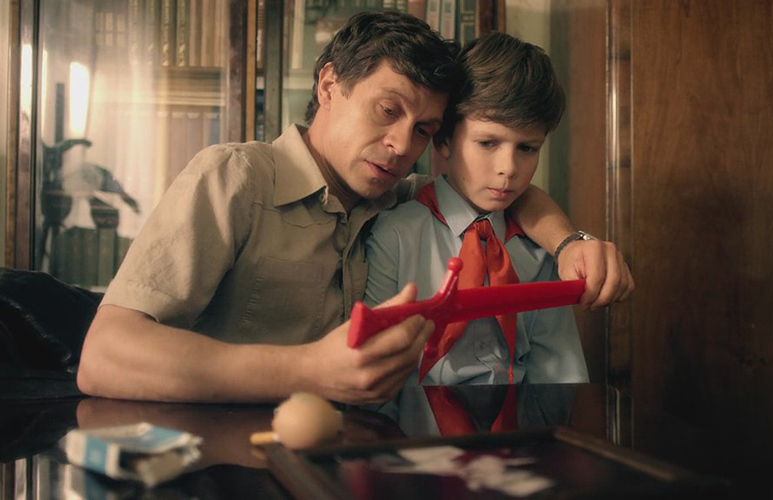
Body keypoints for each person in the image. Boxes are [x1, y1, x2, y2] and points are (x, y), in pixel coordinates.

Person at [77, 11, 632, 405]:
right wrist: (306, 370)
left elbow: (504, 192)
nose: (401, 144)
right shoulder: (237, 178)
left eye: (424, 129)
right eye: (387, 110)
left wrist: (570, 243)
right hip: (227, 454)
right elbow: (105, 355)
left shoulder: (396, 196)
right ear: (328, 85)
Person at [364, 32, 588, 386]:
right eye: (487, 143)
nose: (508, 168)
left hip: (523, 419)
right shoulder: (395, 235)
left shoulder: (542, 248)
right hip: (417, 419)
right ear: (443, 140)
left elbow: (560, 373)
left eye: (527, 148)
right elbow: (377, 373)